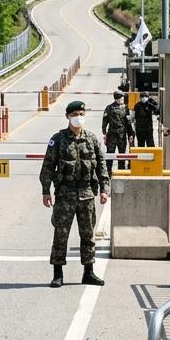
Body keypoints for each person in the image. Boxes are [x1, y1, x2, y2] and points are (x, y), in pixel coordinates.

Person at [39, 100, 109, 288]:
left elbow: (102, 165)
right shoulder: (59, 139)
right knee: (61, 235)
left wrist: (104, 189)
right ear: (68, 117)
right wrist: (46, 190)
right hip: (65, 194)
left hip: (87, 193)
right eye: (75, 114)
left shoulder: (92, 139)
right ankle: (57, 274)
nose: (79, 117)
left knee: (88, 235)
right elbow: (48, 166)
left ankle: (89, 272)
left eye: (81, 114)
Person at [102, 90, 135, 171]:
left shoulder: (125, 107)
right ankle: (108, 171)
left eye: (122, 98)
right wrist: (104, 132)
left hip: (122, 135)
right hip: (112, 135)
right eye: (120, 98)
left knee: (122, 154)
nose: (121, 100)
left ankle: (121, 170)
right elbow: (105, 120)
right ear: (116, 98)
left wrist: (130, 133)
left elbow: (128, 122)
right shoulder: (109, 108)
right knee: (110, 153)